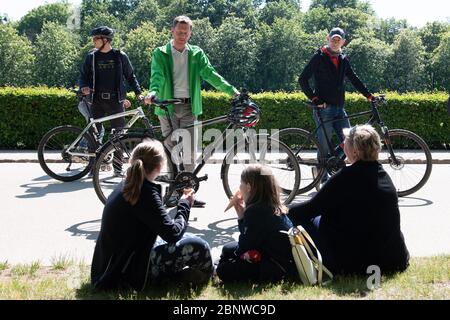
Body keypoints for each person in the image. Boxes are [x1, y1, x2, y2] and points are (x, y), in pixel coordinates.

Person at [91, 139, 213, 291]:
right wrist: (184, 205)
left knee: (185, 236)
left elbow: (161, 225)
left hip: (106, 269)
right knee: (200, 246)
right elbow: (173, 234)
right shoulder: (145, 192)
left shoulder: (128, 184)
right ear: (159, 166)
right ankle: (202, 275)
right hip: (123, 274)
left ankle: (177, 276)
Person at [288, 125, 410, 276]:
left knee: (300, 219)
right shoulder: (382, 176)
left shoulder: (346, 178)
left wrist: (284, 209)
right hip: (393, 260)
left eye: (345, 140)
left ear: (354, 151)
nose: (342, 143)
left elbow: (306, 211)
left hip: (356, 264)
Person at [145, 15, 240, 207]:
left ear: (190, 34)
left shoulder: (196, 54)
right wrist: (153, 92)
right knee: (171, 151)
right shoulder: (161, 53)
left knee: (188, 153)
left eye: (185, 32)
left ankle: (187, 195)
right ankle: (173, 193)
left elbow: (211, 74)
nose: (182, 35)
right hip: (167, 108)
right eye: (179, 32)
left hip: (189, 107)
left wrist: (231, 91)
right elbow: (157, 76)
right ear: (172, 31)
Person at [299, 27, 375, 184]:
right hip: (324, 109)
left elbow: (354, 79)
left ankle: (333, 167)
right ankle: (322, 176)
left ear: (343, 42)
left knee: (350, 141)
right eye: (333, 39)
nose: (335, 41)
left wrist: (369, 95)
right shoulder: (319, 57)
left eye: (338, 39)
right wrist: (315, 99)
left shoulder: (343, 59)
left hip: (340, 108)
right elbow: (302, 79)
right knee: (324, 147)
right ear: (328, 38)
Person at [216, 165, 296, 283]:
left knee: (223, 269)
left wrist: (243, 218)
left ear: (248, 186)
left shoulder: (255, 211)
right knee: (228, 248)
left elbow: (244, 247)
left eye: (241, 182)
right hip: (277, 257)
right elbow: (251, 238)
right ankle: (220, 263)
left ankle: (217, 267)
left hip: (273, 266)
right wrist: (242, 217)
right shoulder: (271, 205)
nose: (239, 187)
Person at [79, 26, 143, 175]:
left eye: (96, 38)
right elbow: (83, 75)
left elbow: (131, 76)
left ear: (105, 40)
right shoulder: (92, 57)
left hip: (116, 101)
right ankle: (93, 168)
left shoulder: (120, 56)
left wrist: (139, 93)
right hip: (96, 101)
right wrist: (83, 86)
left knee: (119, 136)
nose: (93, 41)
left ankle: (118, 169)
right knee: (94, 135)